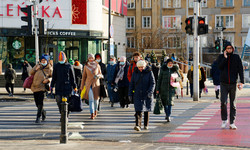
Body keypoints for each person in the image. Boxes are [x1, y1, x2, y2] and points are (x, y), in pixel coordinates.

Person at [217, 42, 244, 130]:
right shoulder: (221, 57)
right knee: (223, 103)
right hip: (223, 84)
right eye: (227, 48)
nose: (229, 50)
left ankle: (232, 122)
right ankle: (224, 120)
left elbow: (240, 69)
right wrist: (225, 58)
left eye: (230, 48)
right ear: (225, 49)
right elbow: (219, 67)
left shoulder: (236, 57)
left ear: (233, 49)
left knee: (233, 104)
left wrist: (241, 82)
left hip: (233, 84)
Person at [129, 60, 155, 131]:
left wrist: (150, 91)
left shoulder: (149, 72)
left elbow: (153, 83)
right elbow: (132, 84)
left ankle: (146, 125)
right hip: (138, 94)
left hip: (147, 94)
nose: (140, 68)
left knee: (146, 110)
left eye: (142, 67)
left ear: (145, 66)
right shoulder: (135, 73)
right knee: (138, 110)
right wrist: (130, 94)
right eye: (139, 67)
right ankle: (138, 125)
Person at [50, 51, 77, 118]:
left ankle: (66, 115)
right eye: (60, 60)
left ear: (65, 59)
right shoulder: (56, 66)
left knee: (67, 102)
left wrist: (75, 87)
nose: (61, 61)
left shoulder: (69, 66)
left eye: (62, 60)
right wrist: (52, 85)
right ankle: (62, 112)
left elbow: (72, 78)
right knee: (58, 100)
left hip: (67, 87)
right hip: (59, 87)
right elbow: (54, 77)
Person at [30, 54, 52, 123]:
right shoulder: (37, 66)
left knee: (40, 103)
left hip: (42, 87)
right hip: (35, 87)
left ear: (47, 61)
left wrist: (48, 80)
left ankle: (38, 117)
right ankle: (43, 112)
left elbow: (53, 77)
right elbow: (31, 73)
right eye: (42, 60)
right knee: (37, 103)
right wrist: (35, 69)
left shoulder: (49, 68)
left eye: (44, 60)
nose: (43, 61)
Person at [81, 54, 103, 119]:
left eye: (92, 58)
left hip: (96, 84)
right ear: (88, 59)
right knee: (91, 99)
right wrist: (81, 86)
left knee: (96, 100)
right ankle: (92, 113)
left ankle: (95, 110)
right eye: (89, 58)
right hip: (88, 84)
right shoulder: (86, 66)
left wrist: (98, 76)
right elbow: (84, 76)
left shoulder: (97, 65)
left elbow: (101, 74)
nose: (91, 59)